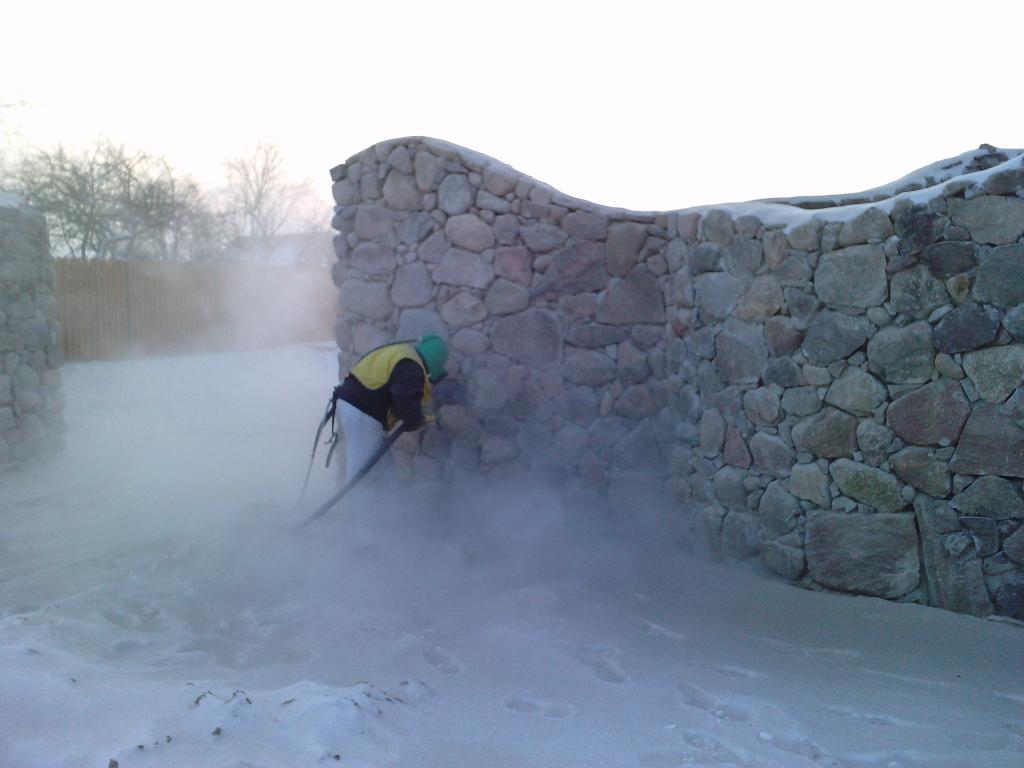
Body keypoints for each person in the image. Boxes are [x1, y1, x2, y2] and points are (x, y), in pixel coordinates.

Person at [333, 333, 448, 481]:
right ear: (435, 361)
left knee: (377, 464)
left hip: (354, 406)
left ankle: (382, 499)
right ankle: (355, 502)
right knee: (362, 473)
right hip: (363, 414)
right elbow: (405, 400)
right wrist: (417, 419)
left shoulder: (402, 353)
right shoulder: (411, 366)